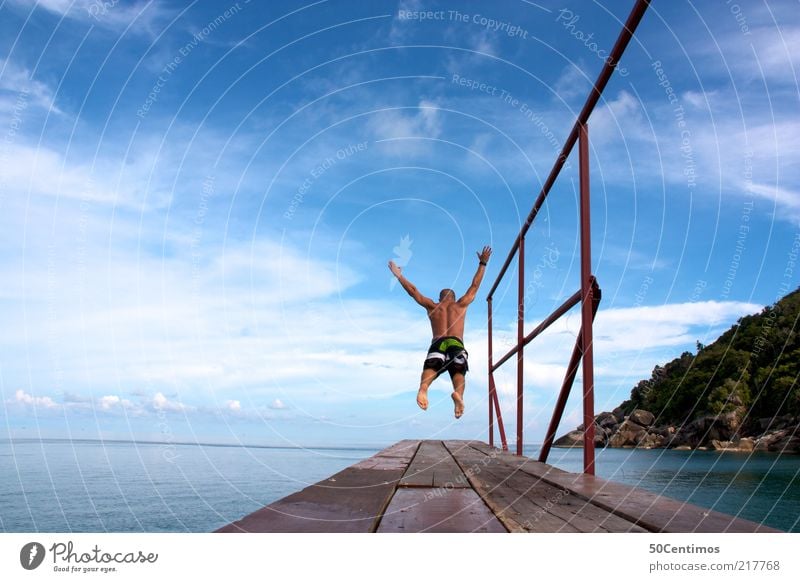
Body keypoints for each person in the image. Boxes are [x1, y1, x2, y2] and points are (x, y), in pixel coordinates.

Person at [388, 246, 492, 419]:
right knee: (459, 371)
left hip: (437, 342)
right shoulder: (461, 305)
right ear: (454, 297)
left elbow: (413, 292)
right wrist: (482, 263)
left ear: (439, 298)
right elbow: (474, 286)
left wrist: (398, 275)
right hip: (455, 342)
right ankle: (458, 394)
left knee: (431, 367)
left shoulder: (433, 306)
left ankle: (423, 389)